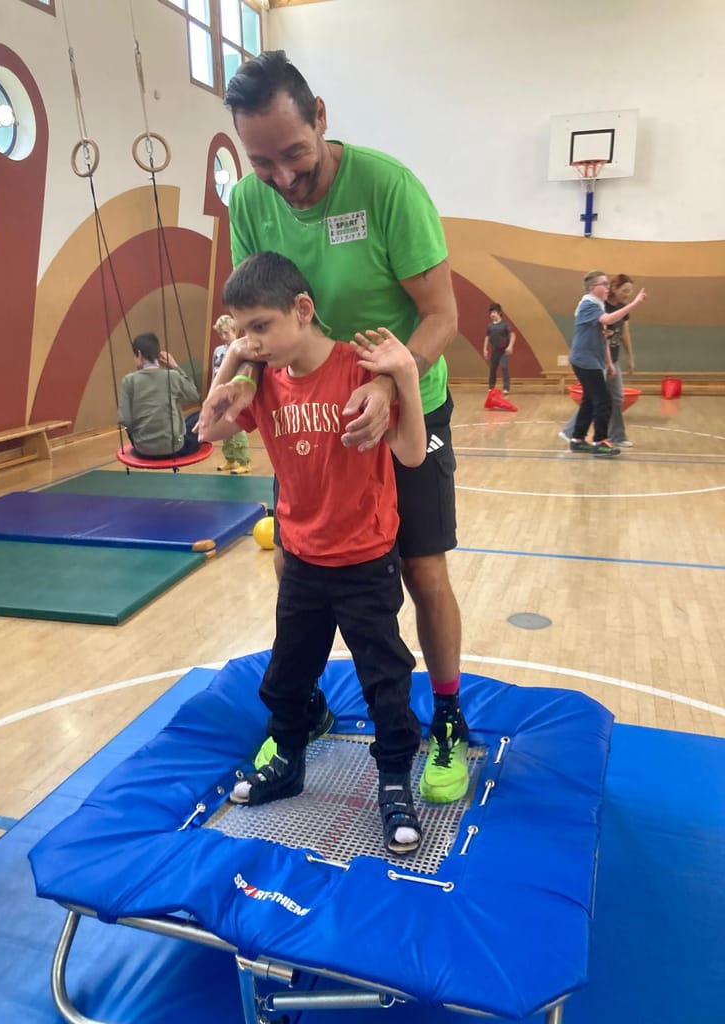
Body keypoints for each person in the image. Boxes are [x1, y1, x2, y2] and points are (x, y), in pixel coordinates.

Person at [198, 51, 468, 806]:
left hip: (403, 397)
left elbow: (442, 316)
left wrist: (388, 382)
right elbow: (255, 314)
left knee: (421, 570)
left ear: (320, 116)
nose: (282, 177)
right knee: (297, 559)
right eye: (261, 162)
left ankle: (447, 716)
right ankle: (304, 708)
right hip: (307, 410)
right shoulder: (250, 200)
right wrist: (237, 385)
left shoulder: (386, 187)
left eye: (294, 153)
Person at [208, 251, 427, 855]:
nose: (252, 341)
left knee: (385, 679)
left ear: (302, 310)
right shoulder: (261, 380)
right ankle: (288, 760)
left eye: (260, 326)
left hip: (364, 559)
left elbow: (412, 454)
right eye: (242, 330)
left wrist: (405, 376)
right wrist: (234, 359)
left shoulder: (361, 370)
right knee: (286, 674)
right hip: (303, 558)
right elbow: (210, 429)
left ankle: (394, 781)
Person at [567, 271, 646, 457]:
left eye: (607, 283)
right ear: (592, 288)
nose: (607, 287)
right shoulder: (588, 304)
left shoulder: (598, 304)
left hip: (593, 360)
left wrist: (609, 362)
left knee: (589, 400)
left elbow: (604, 337)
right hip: (585, 360)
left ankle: (577, 439)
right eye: (603, 284)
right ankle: (600, 442)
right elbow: (609, 320)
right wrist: (635, 303)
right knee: (603, 401)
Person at [118, 332, 200, 458]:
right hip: (174, 449)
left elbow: (125, 419)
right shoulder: (173, 376)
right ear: (157, 355)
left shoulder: (128, 380)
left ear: (139, 354)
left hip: (142, 450)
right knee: (198, 416)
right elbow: (194, 395)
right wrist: (175, 366)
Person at [212, 315, 252, 474]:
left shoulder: (241, 349)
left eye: (226, 332)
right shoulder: (218, 351)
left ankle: (244, 461)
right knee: (223, 425)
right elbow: (216, 372)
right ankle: (230, 459)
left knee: (237, 427)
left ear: (234, 330)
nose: (223, 336)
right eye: (220, 333)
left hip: (235, 394)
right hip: (221, 393)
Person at [483, 302, 516, 394]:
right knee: (492, 369)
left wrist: (510, 346)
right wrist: (485, 349)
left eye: (494, 312)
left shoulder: (505, 325)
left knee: (504, 366)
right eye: (491, 313)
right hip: (495, 351)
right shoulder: (490, 326)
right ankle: (491, 387)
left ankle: (506, 388)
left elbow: (512, 335)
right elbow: (487, 337)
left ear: (499, 313)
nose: (492, 314)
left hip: (504, 351)